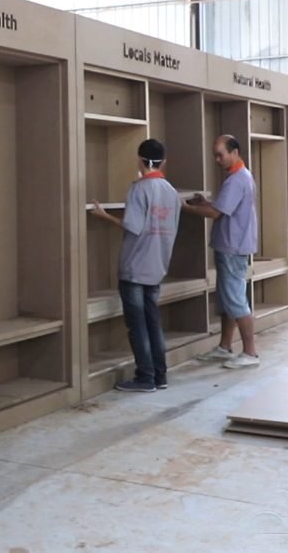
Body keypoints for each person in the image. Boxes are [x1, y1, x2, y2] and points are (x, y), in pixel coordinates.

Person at [90, 138, 183, 393]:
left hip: (135, 267)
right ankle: (160, 375)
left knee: (137, 325)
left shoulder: (139, 189)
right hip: (157, 266)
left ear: (140, 160)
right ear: (163, 162)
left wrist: (105, 216)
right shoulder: (171, 192)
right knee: (153, 322)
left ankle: (145, 377)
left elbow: (132, 226)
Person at [184, 134, 260, 369]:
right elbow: (221, 207)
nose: (217, 160)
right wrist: (203, 203)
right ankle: (225, 347)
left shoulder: (237, 179)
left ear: (235, 152)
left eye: (221, 155)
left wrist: (184, 207)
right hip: (230, 245)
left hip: (232, 247)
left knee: (236, 300)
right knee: (228, 299)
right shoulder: (239, 177)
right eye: (215, 155)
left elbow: (215, 213)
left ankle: (250, 352)